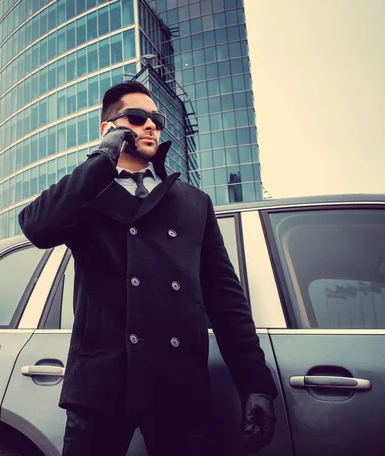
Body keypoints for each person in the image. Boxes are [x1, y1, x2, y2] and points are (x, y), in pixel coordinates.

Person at [18, 81, 278, 456]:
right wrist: (102, 158)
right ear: (110, 128)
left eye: (155, 118)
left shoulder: (193, 202)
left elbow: (226, 300)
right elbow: (36, 226)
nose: (151, 125)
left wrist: (256, 383)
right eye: (137, 118)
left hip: (179, 385)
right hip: (102, 387)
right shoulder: (86, 195)